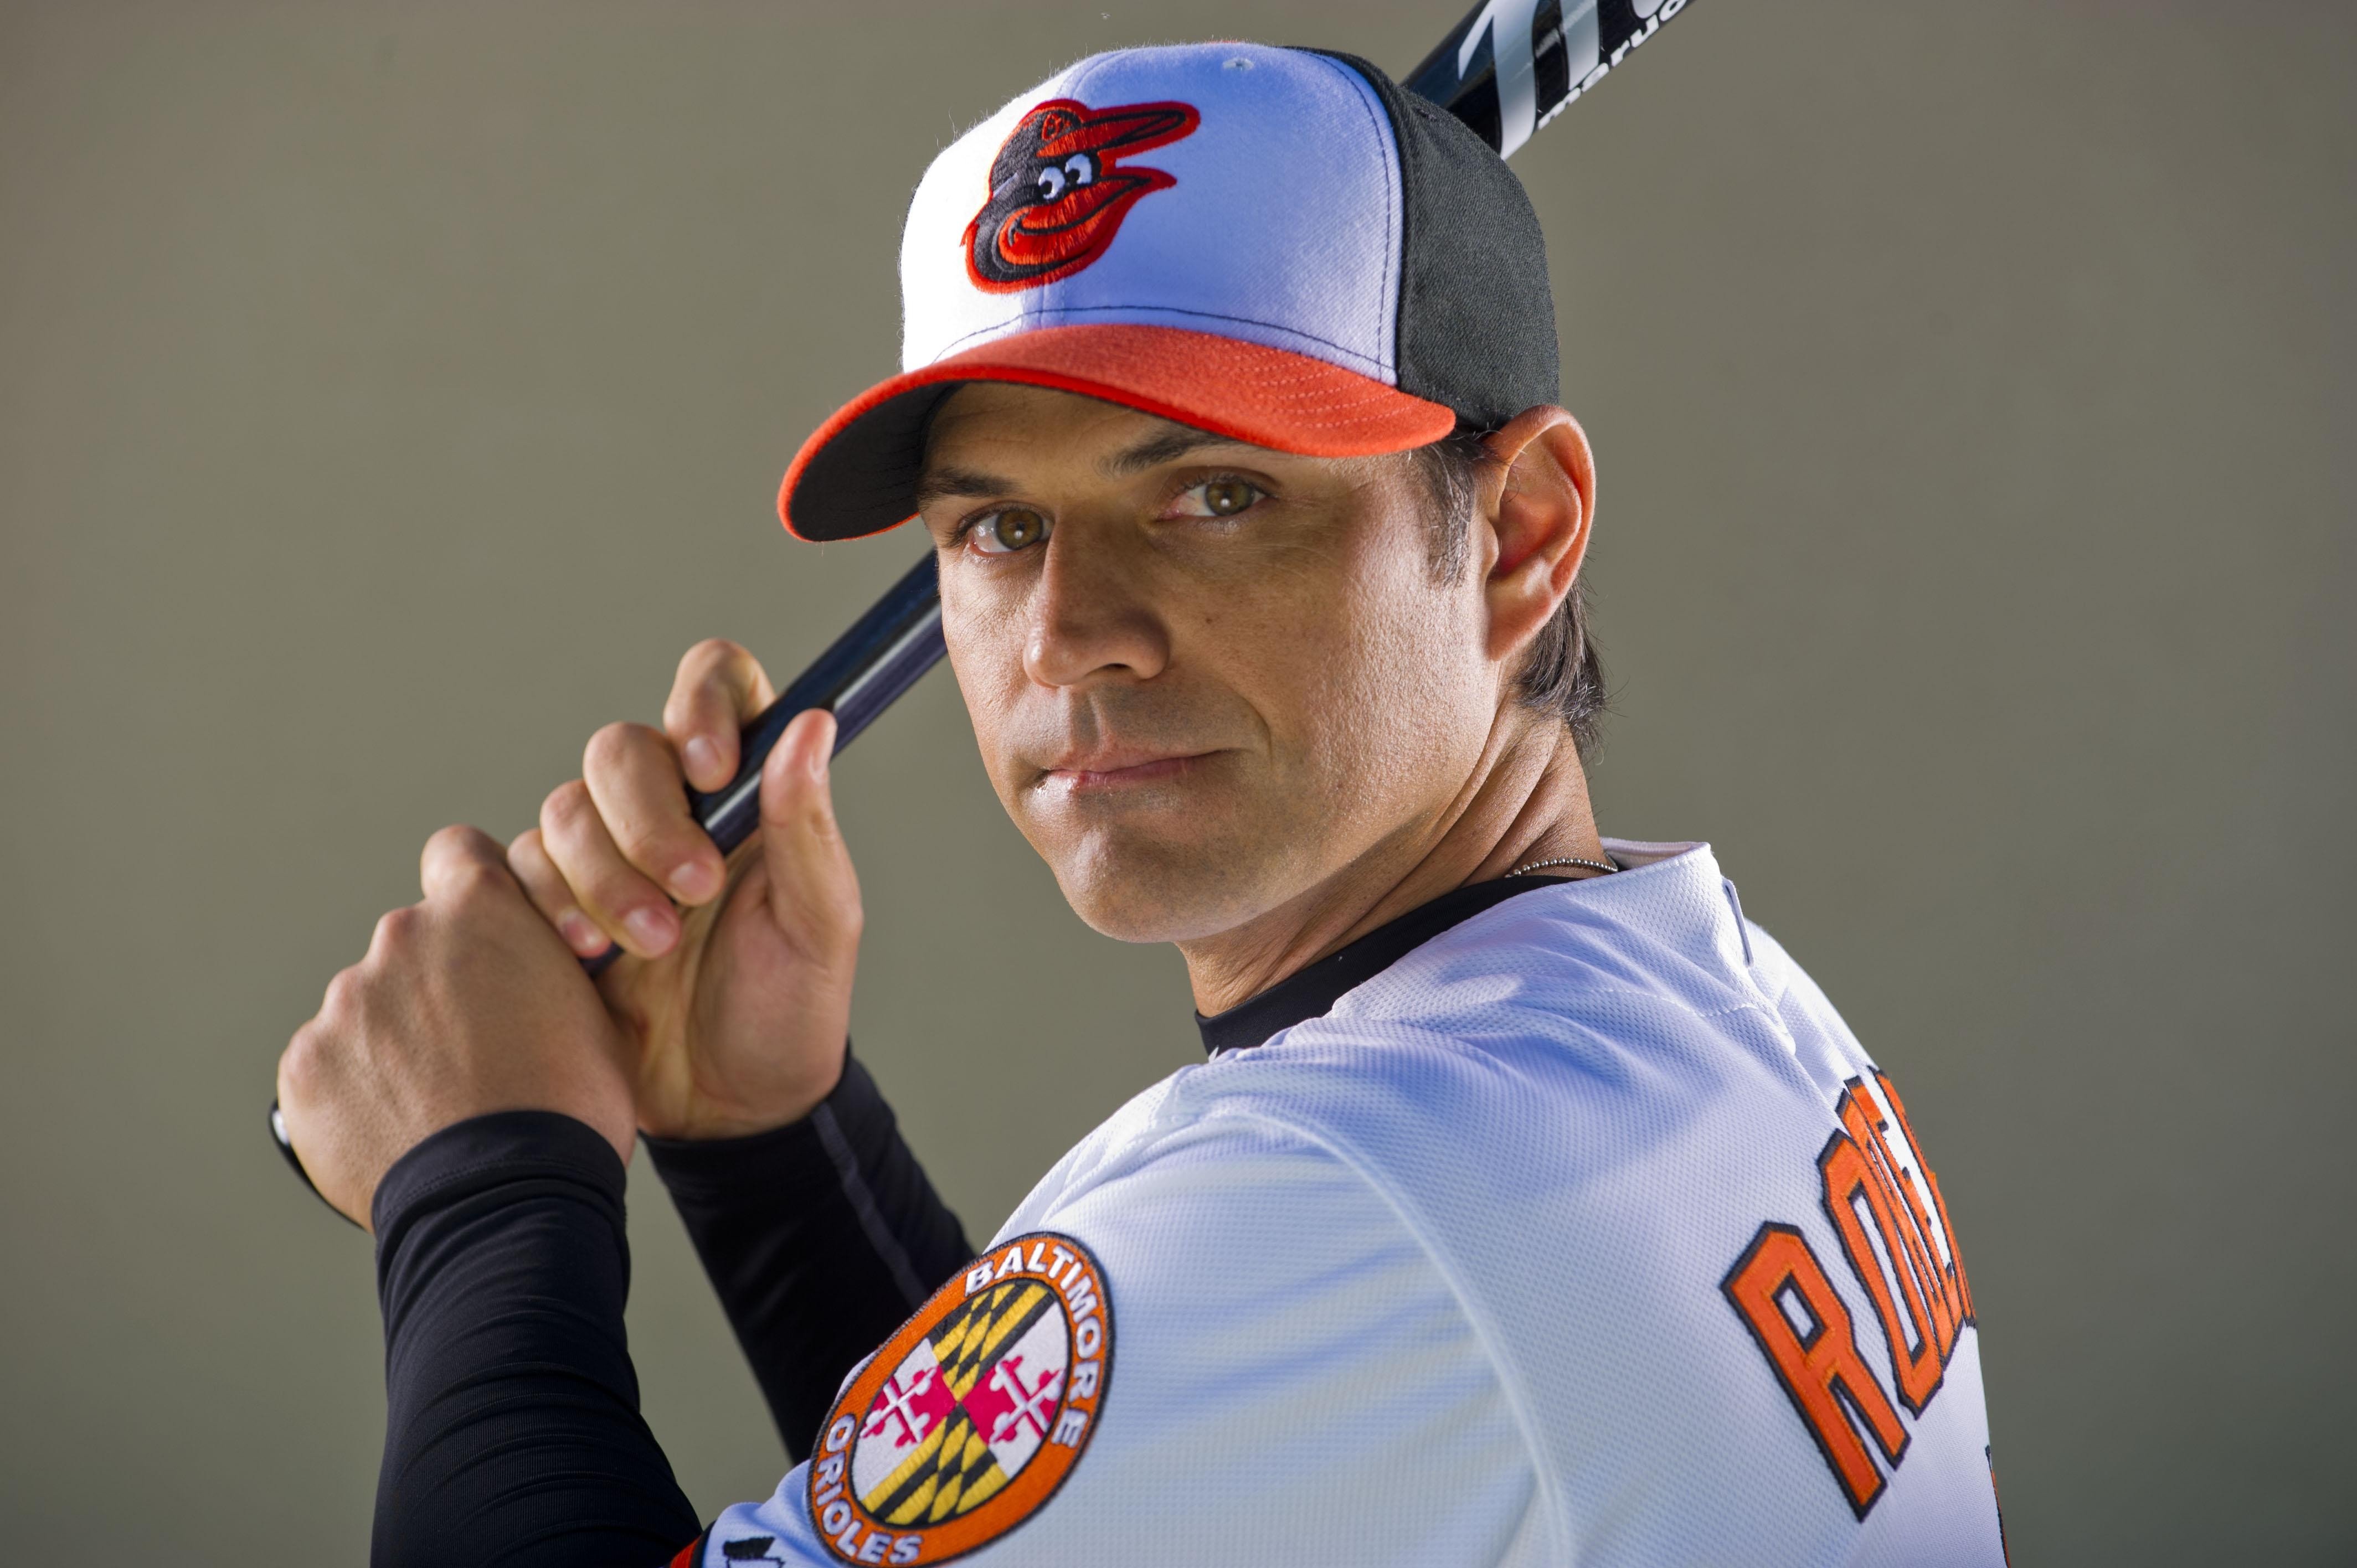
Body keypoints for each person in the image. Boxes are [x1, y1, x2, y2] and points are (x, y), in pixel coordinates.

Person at [275, 40, 2006, 1568]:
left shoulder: (1343, 1200)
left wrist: (482, 1173)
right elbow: (1100, 1484)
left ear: (1522, 534)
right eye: (995, 527)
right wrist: (768, 1132)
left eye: (1216, 496)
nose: (1069, 637)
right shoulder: (1687, 1013)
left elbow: (1284, 1299)